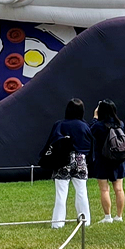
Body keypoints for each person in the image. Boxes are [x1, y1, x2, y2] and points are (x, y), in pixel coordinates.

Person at [45, 98, 95, 228]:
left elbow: (52, 142)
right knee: (81, 191)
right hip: (80, 160)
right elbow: (89, 145)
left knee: (61, 193)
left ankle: (58, 223)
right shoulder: (84, 126)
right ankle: (85, 220)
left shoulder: (60, 125)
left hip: (62, 160)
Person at [90, 99, 125, 223]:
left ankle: (107, 216)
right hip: (118, 159)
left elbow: (91, 130)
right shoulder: (120, 124)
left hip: (103, 160)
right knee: (119, 189)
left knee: (104, 189)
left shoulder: (98, 126)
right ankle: (119, 216)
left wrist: (95, 117)